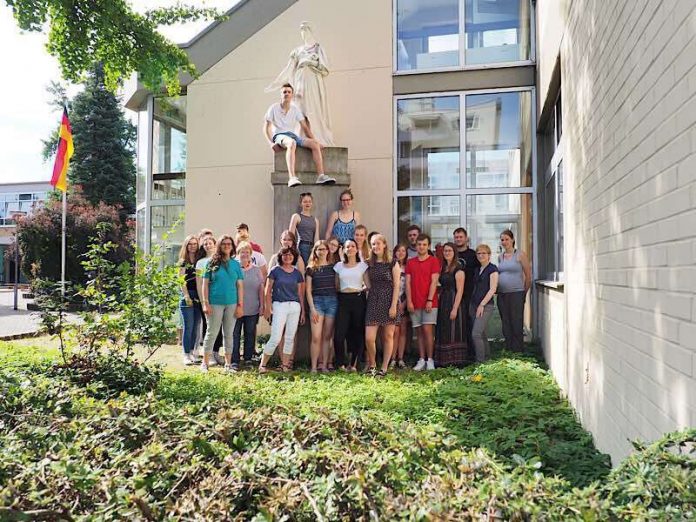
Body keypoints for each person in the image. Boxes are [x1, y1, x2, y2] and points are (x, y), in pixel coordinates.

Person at [263, 83, 335, 187]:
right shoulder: (273, 108)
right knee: (291, 143)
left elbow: (305, 127)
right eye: (284, 92)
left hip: (293, 135)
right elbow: (266, 128)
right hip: (279, 135)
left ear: (292, 95)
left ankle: (321, 176)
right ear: (281, 94)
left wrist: (315, 141)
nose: (286, 94)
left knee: (314, 144)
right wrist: (271, 144)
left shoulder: (295, 109)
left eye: (289, 92)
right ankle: (292, 178)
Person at [200, 235, 245, 373]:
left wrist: (240, 305)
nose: (226, 246)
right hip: (214, 303)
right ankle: (205, 364)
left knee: (229, 334)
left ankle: (228, 364)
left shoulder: (236, 264)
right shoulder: (211, 263)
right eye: (224, 244)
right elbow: (205, 284)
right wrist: (205, 303)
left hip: (231, 304)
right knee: (211, 332)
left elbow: (240, 286)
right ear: (219, 245)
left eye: (229, 244)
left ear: (232, 247)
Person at [259, 246, 306, 373]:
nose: (288, 256)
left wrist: (303, 311)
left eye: (291, 254)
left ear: (294, 257)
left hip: (295, 307)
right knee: (276, 337)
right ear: (281, 256)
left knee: (290, 337)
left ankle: (285, 366)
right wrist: (268, 308)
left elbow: (301, 294)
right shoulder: (275, 270)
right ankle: (263, 365)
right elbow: (267, 291)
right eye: (285, 254)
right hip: (279, 306)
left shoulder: (297, 273)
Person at [364, 234, 401, 377]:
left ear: (384, 245)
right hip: (373, 300)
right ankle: (372, 364)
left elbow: (397, 285)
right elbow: (367, 283)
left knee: (387, 336)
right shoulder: (369, 263)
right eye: (373, 244)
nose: (376, 246)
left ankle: (384, 368)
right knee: (369, 338)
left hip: (388, 301)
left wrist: (393, 306)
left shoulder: (392, 262)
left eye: (378, 243)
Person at [405, 233, 440, 371]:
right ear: (416, 246)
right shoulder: (410, 262)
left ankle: (430, 359)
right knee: (418, 331)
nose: (421, 247)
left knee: (428, 331)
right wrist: (409, 301)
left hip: (429, 302)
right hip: (414, 302)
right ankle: (421, 359)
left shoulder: (433, 261)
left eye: (424, 244)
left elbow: (434, 281)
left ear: (428, 246)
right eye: (419, 244)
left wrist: (430, 300)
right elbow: (407, 283)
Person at [333, 239, 368, 370]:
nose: (350, 249)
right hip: (343, 300)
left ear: (356, 249)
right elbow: (336, 286)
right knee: (339, 334)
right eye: (348, 247)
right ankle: (340, 363)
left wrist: (358, 290)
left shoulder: (362, 266)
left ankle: (353, 364)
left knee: (357, 332)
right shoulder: (338, 266)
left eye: (353, 246)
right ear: (344, 250)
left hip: (358, 299)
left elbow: (368, 285)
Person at [305, 240, 338, 372]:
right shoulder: (310, 268)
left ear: (328, 251)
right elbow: (308, 290)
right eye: (319, 249)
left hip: (332, 302)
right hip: (317, 303)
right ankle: (314, 367)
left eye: (324, 249)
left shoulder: (334, 267)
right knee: (316, 336)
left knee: (327, 336)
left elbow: (337, 285)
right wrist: (312, 308)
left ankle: (324, 365)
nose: (322, 252)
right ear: (315, 251)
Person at [231, 242, 264, 371]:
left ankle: (248, 359)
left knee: (250, 334)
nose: (245, 255)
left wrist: (262, 305)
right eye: (242, 252)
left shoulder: (256, 270)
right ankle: (234, 360)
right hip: (235, 308)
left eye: (247, 252)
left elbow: (261, 289)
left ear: (251, 255)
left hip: (252, 308)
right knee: (235, 334)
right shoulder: (234, 269)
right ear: (238, 255)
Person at [497, 229, 532, 352]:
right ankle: (508, 347)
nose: (504, 242)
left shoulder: (520, 255)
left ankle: (518, 350)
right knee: (505, 321)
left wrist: (523, 293)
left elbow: (528, 276)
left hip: (517, 293)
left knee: (516, 321)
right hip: (502, 294)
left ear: (512, 240)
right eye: (502, 240)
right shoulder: (500, 257)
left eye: (507, 239)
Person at [434, 242, 467, 367]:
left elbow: (460, 291)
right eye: (445, 251)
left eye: (450, 251)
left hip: (454, 300)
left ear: (454, 253)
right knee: (444, 328)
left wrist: (455, 308)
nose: (447, 253)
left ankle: (456, 361)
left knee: (454, 329)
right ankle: (444, 360)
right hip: (444, 300)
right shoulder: (443, 267)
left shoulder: (458, 268)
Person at [196, 234, 223, 364]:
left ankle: (217, 352)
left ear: (215, 244)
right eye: (205, 244)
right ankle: (209, 355)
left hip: (220, 298)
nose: (208, 245)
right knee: (209, 327)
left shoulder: (221, 260)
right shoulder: (200, 262)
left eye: (210, 243)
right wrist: (203, 302)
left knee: (219, 327)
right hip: (207, 299)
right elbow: (199, 283)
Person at [470, 244, 499, 363]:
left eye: (484, 253)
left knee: (476, 334)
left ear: (489, 255)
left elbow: (492, 289)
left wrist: (482, 305)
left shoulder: (493, 269)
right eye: (479, 253)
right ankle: (487, 359)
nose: (481, 255)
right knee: (482, 334)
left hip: (485, 306)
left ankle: (480, 362)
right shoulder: (478, 269)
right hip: (473, 305)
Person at [453, 227, 479, 354]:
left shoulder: (473, 255)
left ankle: (471, 353)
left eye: (460, 237)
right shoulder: (452, 254)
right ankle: (459, 352)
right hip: (453, 294)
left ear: (466, 238)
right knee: (457, 323)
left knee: (470, 323)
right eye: (456, 237)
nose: (458, 239)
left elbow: (479, 274)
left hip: (470, 294)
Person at [178, 235, 202, 365]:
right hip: (188, 295)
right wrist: (186, 295)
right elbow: (181, 280)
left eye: (195, 244)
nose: (193, 246)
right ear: (186, 246)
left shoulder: (200, 260)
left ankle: (193, 352)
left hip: (199, 295)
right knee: (189, 325)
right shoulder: (183, 261)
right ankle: (186, 354)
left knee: (196, 326)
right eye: (190, 244)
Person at [390, 244, 409, 369]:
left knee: (403, 331)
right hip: (393, 301)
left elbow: (410, 287)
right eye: (398, 251)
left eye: (403, 251)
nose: (401, 253)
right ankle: (392, 358)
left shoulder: (409, 267)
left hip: (405, 300)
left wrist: (405, 302)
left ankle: (401, 359)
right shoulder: (391, 266)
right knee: (394, 332)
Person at [289, 192, 320, 265]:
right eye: (305, 201)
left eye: (309, 201)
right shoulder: (296, 216)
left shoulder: (315, 220)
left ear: (312, 203)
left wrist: (316, 250)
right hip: (301, 246)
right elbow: (291, 235)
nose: (307, 203)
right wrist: (293, 250)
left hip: (312, 248)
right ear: (301, 203)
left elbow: (316, 237)